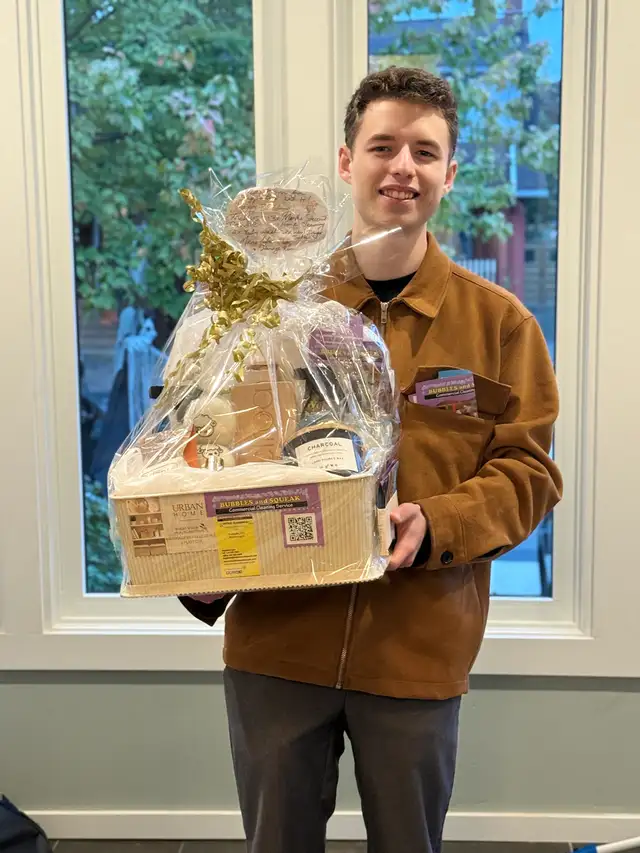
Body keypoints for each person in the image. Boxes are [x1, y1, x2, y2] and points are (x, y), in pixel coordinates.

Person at [180, 67, 563, 853]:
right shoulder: (269, 310)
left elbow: (529, 472)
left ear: (450, 175)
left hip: (417, 651)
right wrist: (199, 555)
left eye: (425, 151)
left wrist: (440, 521)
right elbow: (214, 443)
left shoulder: (501, 325)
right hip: (278, 645)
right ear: (347, 161)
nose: (402, 167)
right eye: (383, 146)